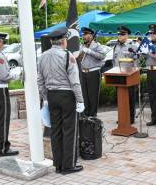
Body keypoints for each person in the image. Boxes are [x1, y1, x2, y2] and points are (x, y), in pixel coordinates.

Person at [38, 27, 84, 174]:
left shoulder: (43, 56)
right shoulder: (67, 55)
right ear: (64, 41)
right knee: (69, 130)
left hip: (51, 96)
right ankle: (68, 165)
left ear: (52, 42)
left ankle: (58, 164)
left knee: (55, 131)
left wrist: (45, 98)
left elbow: (40, 80)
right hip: (66, 95)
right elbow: (74, 81)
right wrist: (80, 100)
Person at [79, 27, 106, 117]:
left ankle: (93, 115)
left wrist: (90, 51)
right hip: (83, 72)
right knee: (84, 95)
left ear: (91, 35)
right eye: (83, 35)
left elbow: (102, 56)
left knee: (92, 95)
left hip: (93, 72)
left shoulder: (97, 45)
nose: (84, 36)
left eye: (86, 35)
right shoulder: (82, 46)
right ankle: (86, 114)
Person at [113, 25, 137, 124]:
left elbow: (136, 61)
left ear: (127, 35)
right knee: (120, 97)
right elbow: (114, 61)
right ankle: (122, 117)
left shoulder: (132, 45)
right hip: (118, 75)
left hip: (129, 76)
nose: (120, 36)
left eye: (122, 34)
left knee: (130, 98)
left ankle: (130, 118)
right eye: (119, 34)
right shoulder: (116, 46)